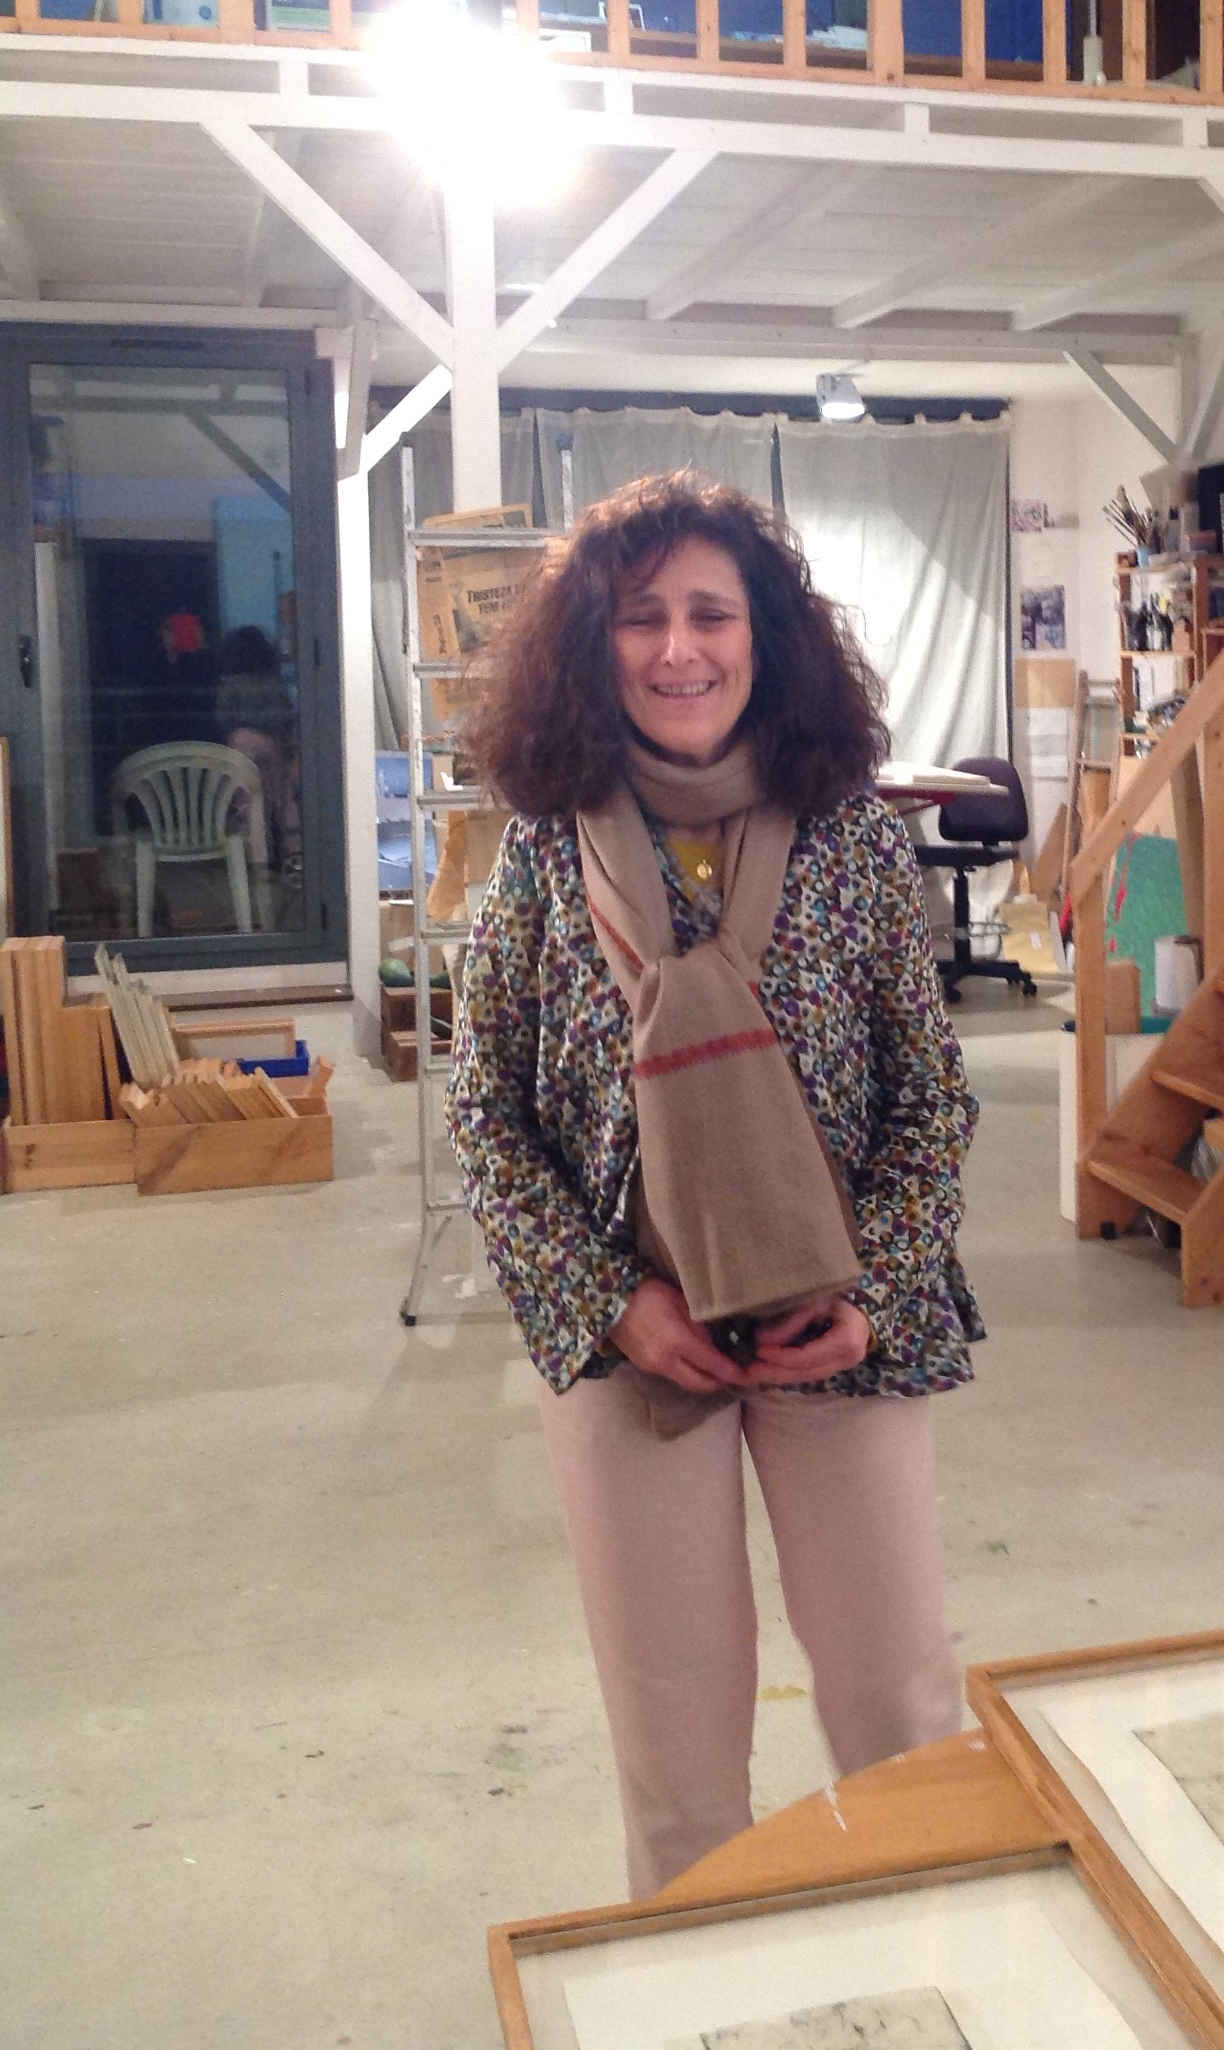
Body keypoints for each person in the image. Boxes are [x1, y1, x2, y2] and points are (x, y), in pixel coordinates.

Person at [449, 471, 981, 1895]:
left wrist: (876, 1291)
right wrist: (608, 1304)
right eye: (641, 618)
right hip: (636, 1350)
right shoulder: (544, 850)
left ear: (765, 637)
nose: (678, 649)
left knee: (901, 1714)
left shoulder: (851, 836)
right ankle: (696, 1984)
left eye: (710, 613)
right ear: (593, 645)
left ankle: (953, 1961)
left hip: (842, 1332)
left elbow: (931, 1099)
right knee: (675, 1752)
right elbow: (487, 1113)